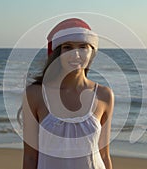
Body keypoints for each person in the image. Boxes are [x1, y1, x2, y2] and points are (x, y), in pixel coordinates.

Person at [20, 18, 114, 169]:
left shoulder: (104, 95)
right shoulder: (35, 94)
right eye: (68, 47)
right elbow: (30, 157)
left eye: (83, 47)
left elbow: (104, 155)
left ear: (92, 52)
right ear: (58, 53)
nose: (76, 54)